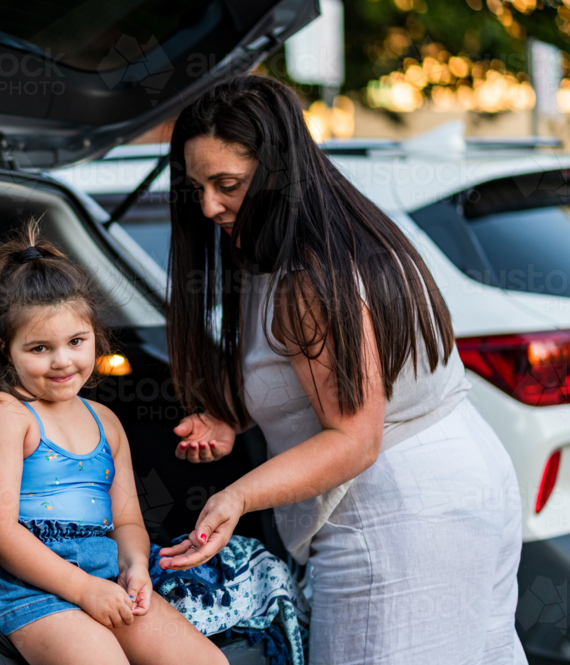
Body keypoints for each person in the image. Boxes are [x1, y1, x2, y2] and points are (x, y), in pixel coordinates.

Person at [155, 75, 527, 664]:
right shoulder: (321, 237)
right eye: (197, 186)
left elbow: (355, 439)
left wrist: (235, 498)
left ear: (276, 171)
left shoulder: (309, 278)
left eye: (227, 185)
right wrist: (232, 416)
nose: (208, 206)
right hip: (459, 490)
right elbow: (301, 377)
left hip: (400, 517)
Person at [0, 223, 227, 665]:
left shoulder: (107, 422)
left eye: (76, 342)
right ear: (6, 349)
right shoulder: (4, 415)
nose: (63, 360)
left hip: (103, 574)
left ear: (94, 336)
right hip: (24, 586)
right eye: (40, 348)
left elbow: (128, 523)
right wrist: (83, 590)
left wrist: (136, 567)